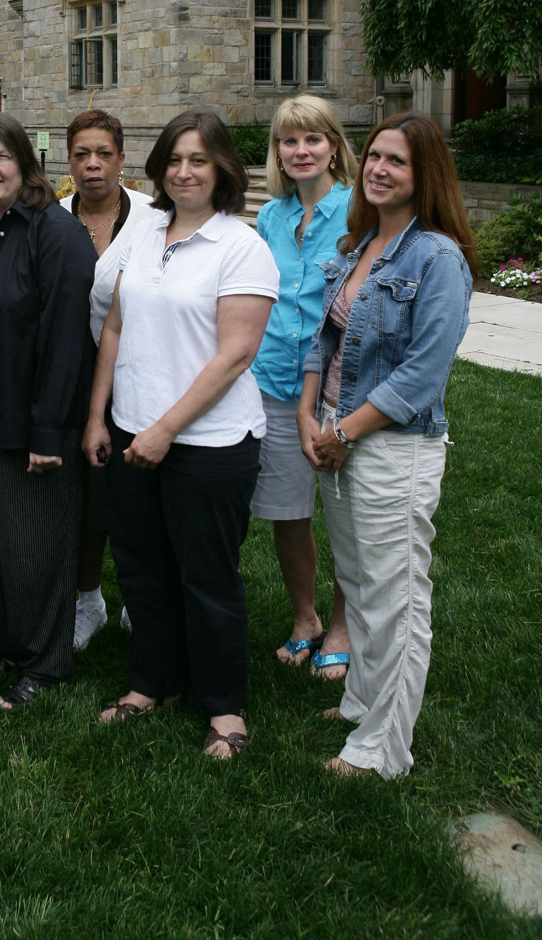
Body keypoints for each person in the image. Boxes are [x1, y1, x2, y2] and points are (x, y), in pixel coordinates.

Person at [83, 111, 279, 759]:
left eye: (199, 160)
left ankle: (224, 708)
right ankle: (154, 683)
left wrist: (166, 429)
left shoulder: (240, 245)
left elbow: (234, 354)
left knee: (207, 576)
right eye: (175, 159)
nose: (185, 171)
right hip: (132, 432)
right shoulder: (145, 234)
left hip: (211, 445)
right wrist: (99, 416)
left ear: (223, 168)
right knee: (141, 571)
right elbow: (114, 326)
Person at [297, 113, 475, 780]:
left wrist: (344, 431)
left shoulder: (438, 258)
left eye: (396, 161)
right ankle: (362, 703)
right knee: (362, 583)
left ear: (424, 172)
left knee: (396, 599)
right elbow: (325, 340)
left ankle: (381, 751)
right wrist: (313, 413)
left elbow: (424, 374)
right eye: (373, 156)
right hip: (337, 433)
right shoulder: (358, 246)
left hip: (390, 446)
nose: (378, 169)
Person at [0, 113, 96, 710]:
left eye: (0, 157)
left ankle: (47, 661)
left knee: (35, 540)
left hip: (30, 408)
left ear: (24, 164)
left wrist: (48, 429)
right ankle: (10, 643)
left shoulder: (53, 232)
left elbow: (67, 339)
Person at [252, 96, 358, 678]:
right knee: (287, 509)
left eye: (312, 139)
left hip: (341, 386)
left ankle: (342, 624)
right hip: (271, 378)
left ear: (334, 147)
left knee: (345, 512)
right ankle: (306, 618)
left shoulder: (358, 212)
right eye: (289, 142)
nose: (300, 151)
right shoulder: (271, 217)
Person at [59, 110, 153, 650]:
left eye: (104, 154)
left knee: (140, 491)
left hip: (140, 371)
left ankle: (143, 598)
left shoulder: (152, 217)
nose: (92, 165)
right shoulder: (51, 216)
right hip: (74, 375)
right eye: (81, 155)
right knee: (89, 494)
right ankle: (87, 599)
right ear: (68, 161)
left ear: (122, 158)